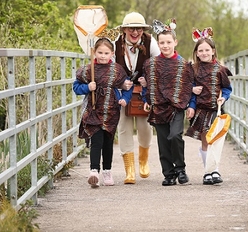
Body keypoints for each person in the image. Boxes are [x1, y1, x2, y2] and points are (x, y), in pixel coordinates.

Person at [140, 19, 196, 186]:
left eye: (168, 42)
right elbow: (148, 84)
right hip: (158, 106)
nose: (165, 46)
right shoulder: (151, 64)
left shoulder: (184, 65)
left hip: (177, 106)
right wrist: (146, 98)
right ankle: (168, 173)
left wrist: (191, 105)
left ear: (175, 42)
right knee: (163, 140)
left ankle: (180, 168)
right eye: (162, 42)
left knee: (175, 135)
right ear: (158, 43)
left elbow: (189, 86)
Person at [73, 37, 132, 188]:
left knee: (107, 142)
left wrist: (124, 99)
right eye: (100, 52)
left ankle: (107, 171)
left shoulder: (117, 70)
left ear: (112, 53)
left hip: (111, 111)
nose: (103, 56)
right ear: (94, 53)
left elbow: (127, 87)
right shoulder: (88, 71)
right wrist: (87, 88)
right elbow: (76, 87)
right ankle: (94, 171)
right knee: (96, 140)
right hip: (93, 110)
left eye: (106, 53)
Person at [115, 12, 161, 184]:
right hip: (122, 92)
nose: (135, 32)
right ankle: (130, 170)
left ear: (143, 30)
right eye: (131, 28)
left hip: (144, 92)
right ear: (125, 29)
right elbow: (110, 68)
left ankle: (143, 161)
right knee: (124, 127)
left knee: (145, 127)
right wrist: (120, 83)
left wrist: (148, 81)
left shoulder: (150, 42)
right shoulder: (116, 44)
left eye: (139, 29)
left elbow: (159, 65)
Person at [185, 27, 233, 185]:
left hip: (215, 109)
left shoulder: (220, 70)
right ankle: (207, 171)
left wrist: (224, 98)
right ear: (197, 53)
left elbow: (227, 88)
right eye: (201, 50)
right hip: (200, 110)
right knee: (205, 140)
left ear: (213, 51)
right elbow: (190, 91)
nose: (204, 53)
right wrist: (191, 105)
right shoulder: (193, 69)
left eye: (207, 50)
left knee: (216, 139)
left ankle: (215, 170)